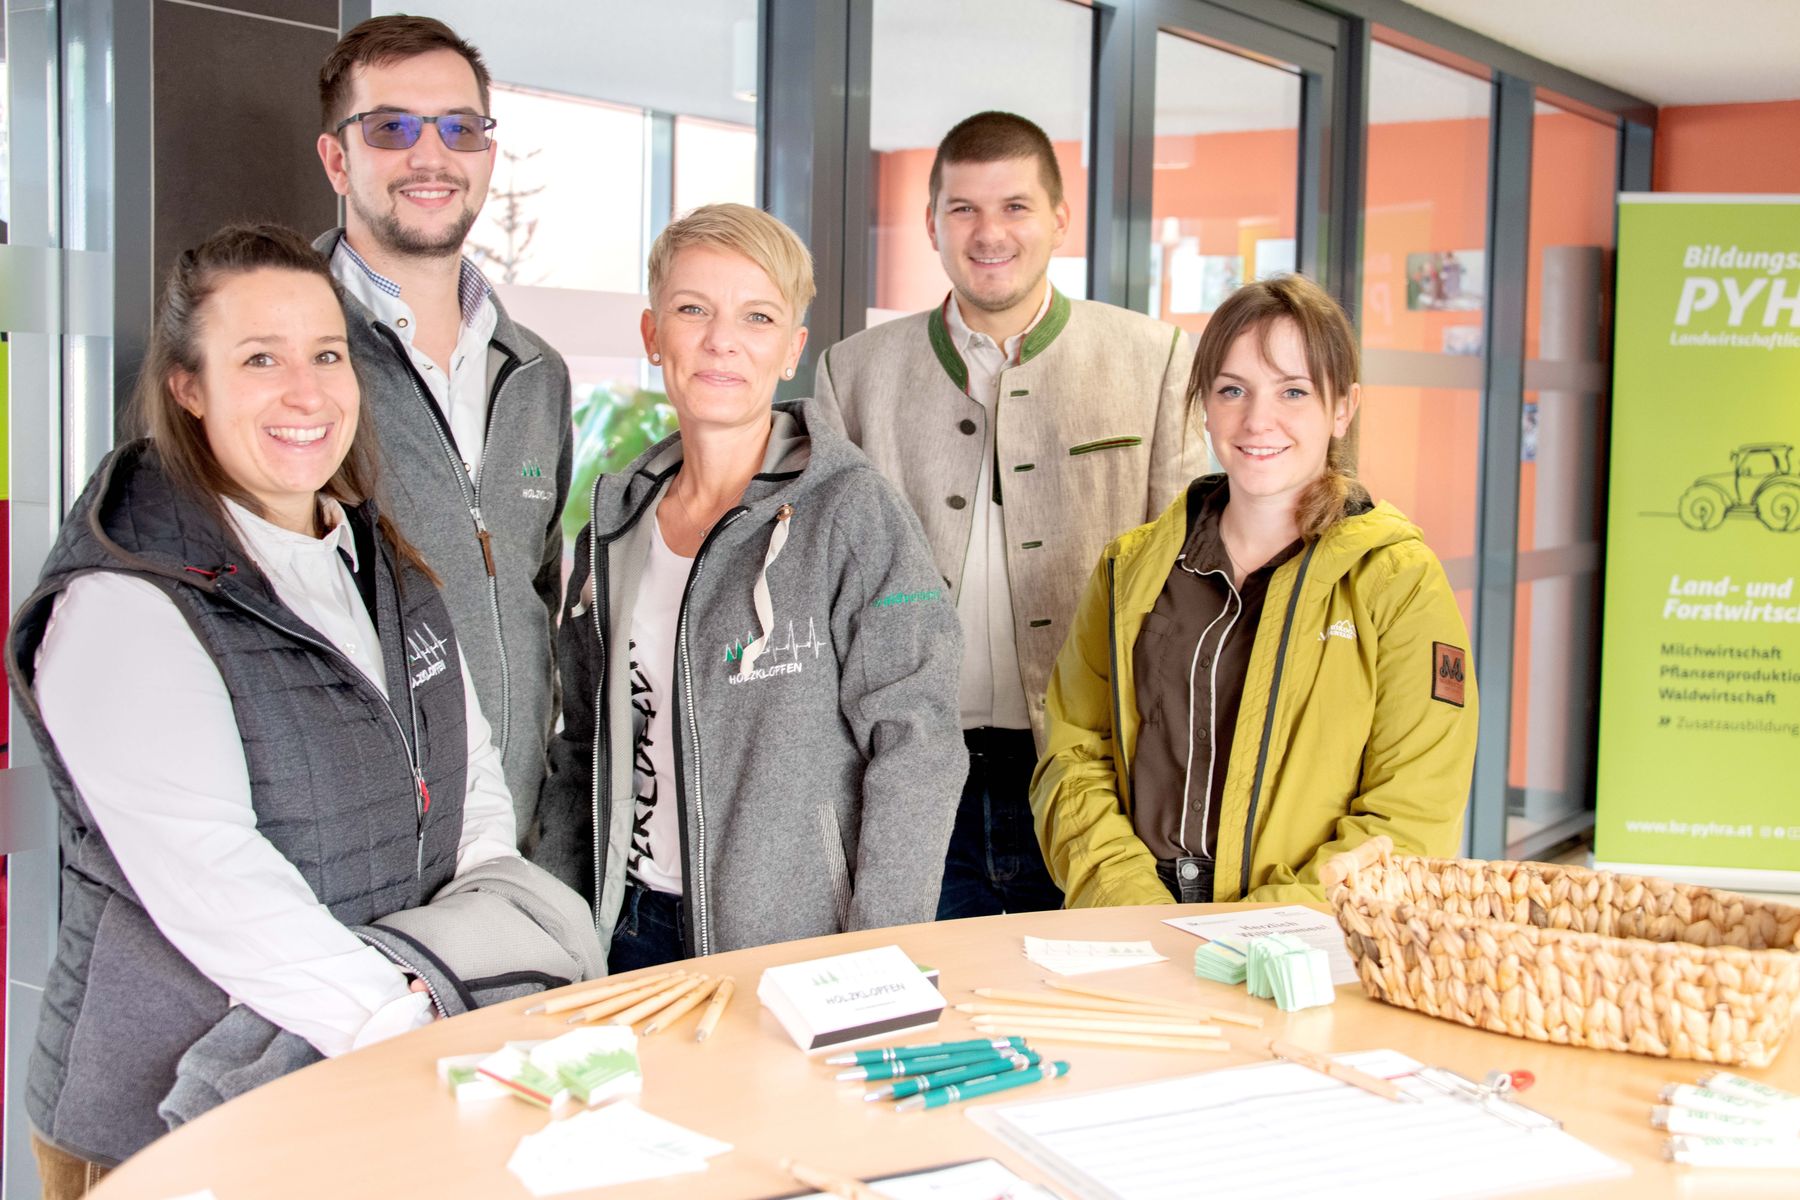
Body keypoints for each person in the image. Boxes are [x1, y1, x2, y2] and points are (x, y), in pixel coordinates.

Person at [6, 226, 603, 1192]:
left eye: (326, 355)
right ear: (187, 387)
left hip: (363, 1093)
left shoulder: (383, 562)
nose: (305, 392)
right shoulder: (123, 604)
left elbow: (470, 781)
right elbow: (220, 887)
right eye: (259, 360)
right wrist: (426, 1023)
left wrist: (497, 929)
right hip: (165, 1131)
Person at [534, 204, 965, 969]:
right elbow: (581, 751)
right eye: (692, 309)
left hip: (791, 946)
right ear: (652, 334)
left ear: (792, 349)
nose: (720, 340)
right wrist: (563, 929)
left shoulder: (852, 512)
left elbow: (917, 745)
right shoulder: (615, 523)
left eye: (757, 316)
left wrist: (876, 957)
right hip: (622, 931)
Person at [813, 111, 1204, 918]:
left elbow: (1189, 582)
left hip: (1094, 775)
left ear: (1061, 217)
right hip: (910, 774)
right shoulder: (853, 374)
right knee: (923, 1008)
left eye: (1016, 207)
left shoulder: (1153, 359)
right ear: (931, 223)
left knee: (1091, 1002)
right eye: (964, 209)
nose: (989, 232)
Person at [1032, 274, 1477, 907]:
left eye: (1293, 391)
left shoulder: (1397, 582)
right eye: (1232, 390)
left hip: (1306, 937)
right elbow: (1073, 757)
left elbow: (1413, 812)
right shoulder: (1128, 570)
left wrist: (1258, 928)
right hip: (1132, 925)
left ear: (1343, 407)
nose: (1257, 420)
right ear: (1205, 405)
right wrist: (1130, 905)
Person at [314, 16, 571, 844]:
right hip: (363, 851)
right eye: (392, 127)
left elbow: (534, 599)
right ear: (336, 158)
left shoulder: (535, 374)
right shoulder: (290, 365)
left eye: (460, 128)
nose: (432, 156)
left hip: (516, 847)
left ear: (487, 154)